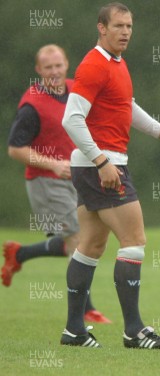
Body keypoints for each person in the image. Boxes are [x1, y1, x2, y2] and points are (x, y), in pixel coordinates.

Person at [60, 2, 160, 349]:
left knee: (90, 245)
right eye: (118, 26)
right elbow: (71, 119)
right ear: (101, 28)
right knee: (134, 242)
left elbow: (127, 107)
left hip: (92, 165)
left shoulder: (116, 64)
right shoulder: (94, 64)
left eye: (129, 27)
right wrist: (102, 161)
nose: (125, 32)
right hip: (102, 166)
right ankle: (134, 331)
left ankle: (74, 331)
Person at [4, 44, 111, 324]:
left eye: (58, 65)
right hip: (45, 182)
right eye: (48, 67)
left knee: (88, 240)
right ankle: (85, 310)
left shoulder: (76, 90)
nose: (54, 71)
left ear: (67, 65)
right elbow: (15, 149)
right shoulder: (32, 104)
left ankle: (20, 253)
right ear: (38, 70)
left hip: (77, 177)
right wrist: (53, 164)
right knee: (78, 240)